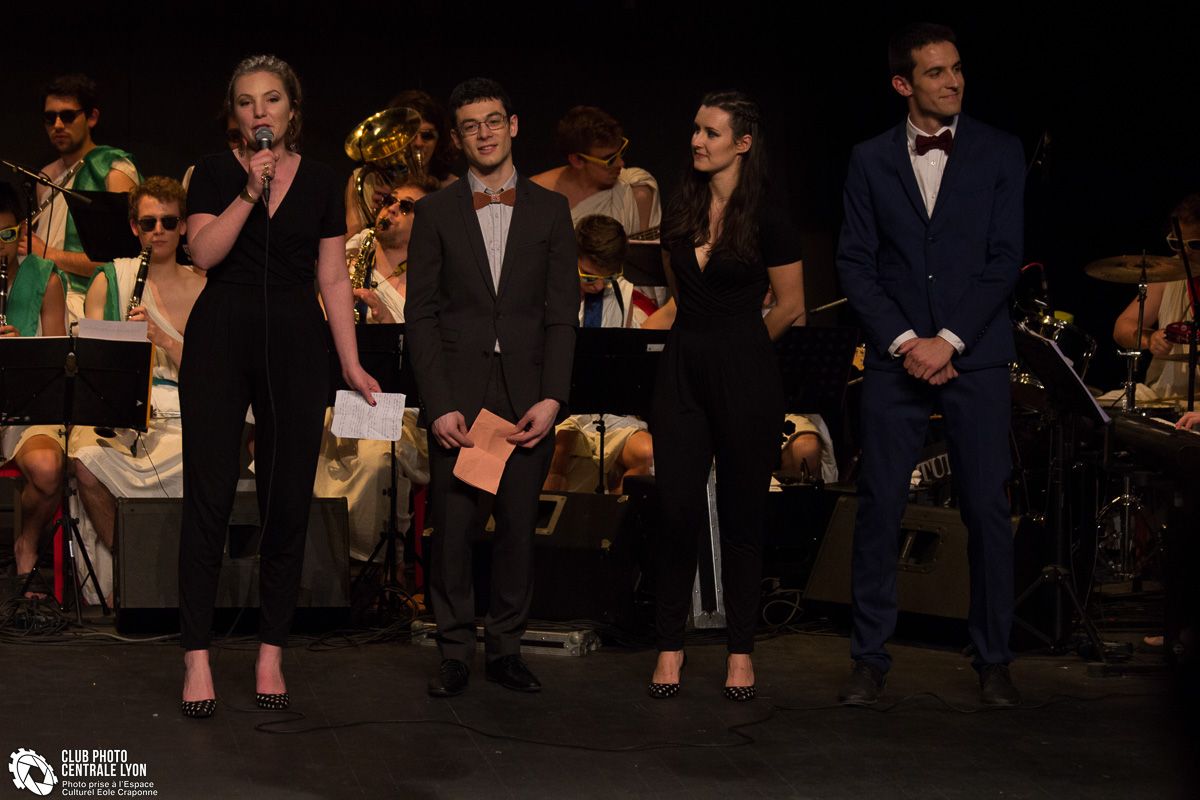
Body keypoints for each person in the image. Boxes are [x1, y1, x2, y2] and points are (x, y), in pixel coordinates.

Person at [177, 55, 378, 719]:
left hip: (296, 338)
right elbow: (203, 253)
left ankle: (271, 651)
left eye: (270, 100)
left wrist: (349, 362)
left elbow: (332, 278)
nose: (259, 111)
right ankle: (197, 655)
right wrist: (248, 190)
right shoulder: (212, 172)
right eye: (245, 102)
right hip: (220, 333)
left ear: (292, 109)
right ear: (233, 114)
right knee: (207, 497)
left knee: (286, 499)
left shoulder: (321, 181)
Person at [836, 23, 1025, 707]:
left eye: (957, 69)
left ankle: (993, 660)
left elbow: (1004, 259)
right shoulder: (869, 159)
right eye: (936, 72)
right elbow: (855, 263)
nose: (953, 82)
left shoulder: (1000, 151)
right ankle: (868, 659)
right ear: (903, 83)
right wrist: (907, 342)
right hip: (898, 359)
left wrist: (948, 340)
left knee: (986, 508)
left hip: (975, 355)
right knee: (879, 505)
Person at [407, 77, 577, 698]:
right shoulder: (435, 212)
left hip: (527, 395)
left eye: (493, 120)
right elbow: (421, 315)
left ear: (513, 125)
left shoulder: (551, 209)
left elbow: (562, 313)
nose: (484, 133)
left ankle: (506, 649)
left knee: (517, 530)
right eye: (471, 125)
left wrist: (553, 397)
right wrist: (438, 404)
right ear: (457, 138)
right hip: (461, 396)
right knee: (453, 532)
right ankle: (454, 651)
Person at [648, 91, 805, 702]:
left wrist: (742, 348)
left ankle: (741, 652)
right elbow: (679, 296)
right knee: (675, 512)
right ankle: (670, 645)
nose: (697, 140)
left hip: (745, 375)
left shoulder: (768, 215)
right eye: (695, 129)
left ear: (742, 143)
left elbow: (790, 305)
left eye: (711, 132)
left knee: (742, 516)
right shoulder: (681, 209)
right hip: (682, 373)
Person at [70, 177, 205, 604]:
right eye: (149, 223)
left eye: (169, 221)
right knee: (86, 462)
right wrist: (122, 347)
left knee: (205, 461)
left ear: (184, 226)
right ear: (134, 228)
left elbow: (212, 373)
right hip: (122, 408)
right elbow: (93, 366)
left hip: (185, 407)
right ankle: (133, 571)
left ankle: (180, 580)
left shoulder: (205, 287)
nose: (159, 231)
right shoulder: (111, 280)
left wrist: (161, 339)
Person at [314, 178, 438, 561]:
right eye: (389, 202)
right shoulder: (351, 263)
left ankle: (371, 563)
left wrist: (386, 324)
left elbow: (434, 358)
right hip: (343, 399)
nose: (391, 209)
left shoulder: (435, 280)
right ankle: (320, 564)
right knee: (304, 453)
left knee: (373, 462)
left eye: (406, 206)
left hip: (402, 410)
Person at [543, 215, 657, 494]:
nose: (597, 286)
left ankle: (611, 519)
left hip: (606, 409)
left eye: (608, 278)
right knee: (559, 449)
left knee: (648, 454)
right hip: (559, 405)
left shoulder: (623, 292)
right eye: (589, 276)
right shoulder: (548, 291)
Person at [24, 74, 140, 323]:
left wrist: (48, 254)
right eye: (50, 118)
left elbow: (125, 261)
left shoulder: (113, 169)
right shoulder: (44, 178)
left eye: (67, 116)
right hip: (44, 298)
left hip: (93, 305)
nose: (57, 125)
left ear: (92, 117)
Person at [0, 183, 67, 598]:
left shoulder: (44, 277)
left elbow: (58, 363)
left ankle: (27, 543)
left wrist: (21, 351)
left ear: (21, 231)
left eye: (6, 235)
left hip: (26, 410)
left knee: (47, 469)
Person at [1110, 194, 1200, 407]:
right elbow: (1122, 326)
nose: (1184, 252)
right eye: (1177, 243)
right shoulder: (1169, 273)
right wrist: (1149, 339)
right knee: (1100, 410)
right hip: (1163, 395)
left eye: (1195, 244)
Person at [345, 89, 458, 237]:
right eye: (410, 135)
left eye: (427, 136)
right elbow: (349, 241)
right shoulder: (368, 182)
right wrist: (384, 213)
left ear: (439, 141)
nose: (418, 143)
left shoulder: (454, 188)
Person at [532, 106, 659, 234]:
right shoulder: (536, 196)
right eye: (609, 160)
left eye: (621, 152)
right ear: (577, 160)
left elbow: (644, 246)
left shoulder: (635, 191)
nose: (621, 163)